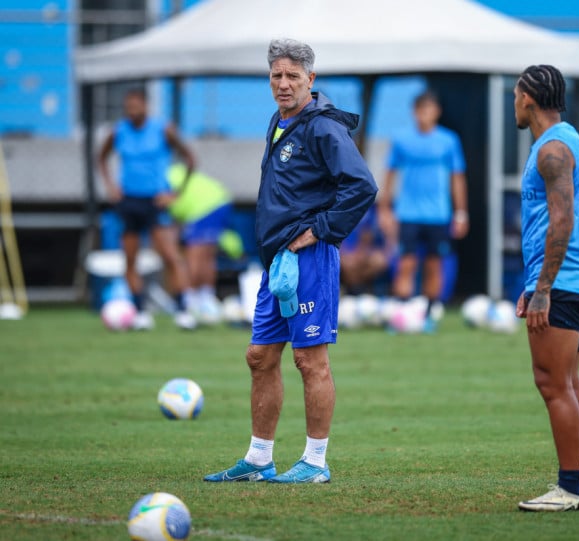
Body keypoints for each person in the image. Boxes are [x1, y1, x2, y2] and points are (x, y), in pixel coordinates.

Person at [204, 38, 377, 484]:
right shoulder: (279, 121)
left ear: (311, 80)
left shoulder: (322, 128)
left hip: (310, 260)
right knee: (260, 356)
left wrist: (319, 230)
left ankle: (315, 463)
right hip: (278, 262)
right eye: (276, 75)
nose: (283, 84)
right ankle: (260, 459)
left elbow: (361, 186)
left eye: (293, 76)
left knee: (310, 361)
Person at [512, 65, 579, 512]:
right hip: (572, 279)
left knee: (552, 383)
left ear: (529, 99)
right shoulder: (559, 140)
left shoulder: (553, 149)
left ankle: (570, 488)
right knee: (570, 382)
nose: (513, 104)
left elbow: (562, 220)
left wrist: (543, 289)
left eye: (516, 96)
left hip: (564, 282)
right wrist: (535, 282)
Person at [97, 88, 197, 330]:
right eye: (128, 107)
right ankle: (140, 311)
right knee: (130, 259)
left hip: (155, 202)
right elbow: (101, 158)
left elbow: (189, 158)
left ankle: (183, 309)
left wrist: (176, 192)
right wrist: (111, 187)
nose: (132, 111)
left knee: (171, 257)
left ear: (146, 106)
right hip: (129, 201)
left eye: (136, 106)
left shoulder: (163, 130)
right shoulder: (118, 131)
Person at [377, 91, 468, 332]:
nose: (424, 115)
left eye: (429, 109)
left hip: (438, 214)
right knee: (406, 263)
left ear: (436, 112)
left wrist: (461, 212)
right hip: (408, 214)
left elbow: (457, 177)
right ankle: (400, 315)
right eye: (420, 110)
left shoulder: (448, 141)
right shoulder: (402, 139)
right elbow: (390, 174)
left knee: (434, 265)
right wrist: (385, 208)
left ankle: (427, 316)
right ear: (414, 112)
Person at [166, 164, 244, 324]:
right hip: (219, 201)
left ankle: (191, 304)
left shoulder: (159, 179)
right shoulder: (170, 172)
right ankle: (204, 300)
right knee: (206, 257)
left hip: (205, 207)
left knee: (196, 257)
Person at [339, 205, 392, 295]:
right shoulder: (342, 208)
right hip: (345, 252)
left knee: (378, 261)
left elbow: (384, 242)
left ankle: (362, 291)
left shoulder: (375, 211)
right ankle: (352, 292)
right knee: (346, 263)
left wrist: (362, 254)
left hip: (367, 254)